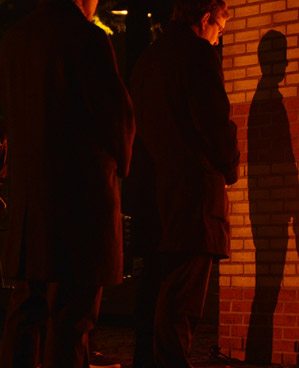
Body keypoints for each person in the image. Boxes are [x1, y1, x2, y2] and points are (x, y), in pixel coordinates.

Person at [0, 0, 135, 366]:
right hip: (80, 202)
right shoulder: (86, 39)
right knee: (72, 318)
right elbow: (115, 116)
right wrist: (120, 164)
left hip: (32, 203)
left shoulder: (14, 40)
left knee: (28, 308)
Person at [125, 0, 239, 366]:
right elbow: (214, 123)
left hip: (153, 195)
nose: (218, 40)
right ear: (205, 18)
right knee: (183, 301)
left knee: (153, 294)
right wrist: (229, 167)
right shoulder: (198, 56)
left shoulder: (147, 60)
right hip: (193, 197)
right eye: (219, 29)